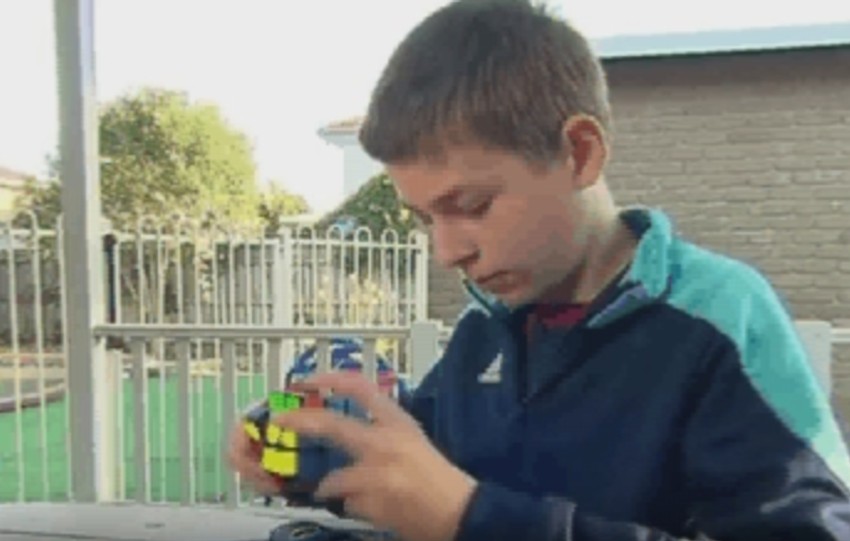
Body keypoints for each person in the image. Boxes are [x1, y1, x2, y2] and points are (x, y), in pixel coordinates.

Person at [228, 1, 850, 540]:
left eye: (471, 206)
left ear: (579, 153)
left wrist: (472, 519)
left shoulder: (720, 318)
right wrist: (299, 445)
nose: (447, 253)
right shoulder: (485, 328)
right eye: (424, 219)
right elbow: (424, 465)